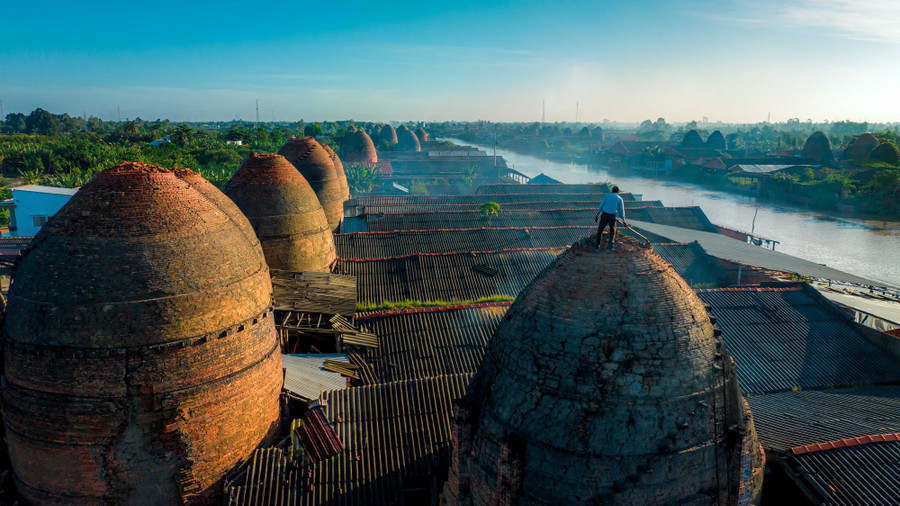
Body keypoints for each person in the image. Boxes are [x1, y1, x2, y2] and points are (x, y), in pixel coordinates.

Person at [594, 186, 627, 250]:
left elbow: (601, 205)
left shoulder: (606, 196)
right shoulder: (619, 198)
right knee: (612, 233)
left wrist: (597, 214)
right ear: (618, 191)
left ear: (612, 191)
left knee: (600, 231)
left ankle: (596, 247)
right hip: (612, 217)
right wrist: (624, 221)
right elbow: (621, 210)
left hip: (604, 215)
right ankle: (609, 248)